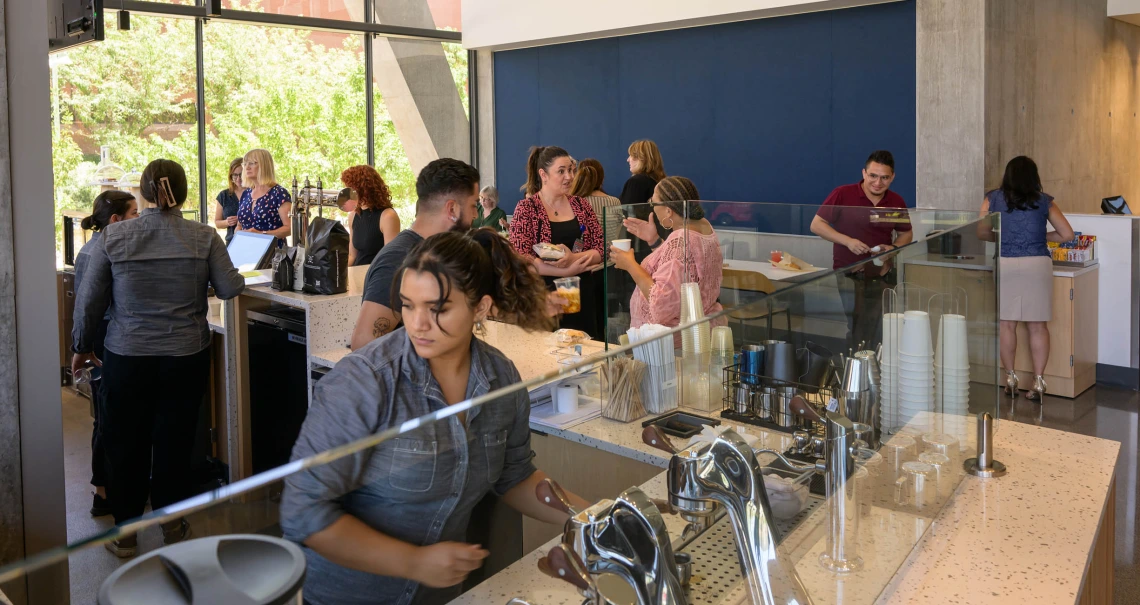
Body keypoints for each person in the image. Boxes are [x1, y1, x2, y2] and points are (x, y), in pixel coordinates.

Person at [280, 229, 590, 605]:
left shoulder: (499, 378)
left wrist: (591, 517)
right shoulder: (366, 380)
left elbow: (515, 477)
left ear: (481, 307)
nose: (417, 324)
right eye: (408, 305)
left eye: (438, 309)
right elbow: (302, 511)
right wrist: (414, 562)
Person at [71, 159, 245, 557]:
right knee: (175, 440)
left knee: (124, 440)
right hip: (185, 356)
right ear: (182, 194)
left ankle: (126, 533)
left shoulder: (114, 238)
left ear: (144, 194)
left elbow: (89, 303)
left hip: (127, 355)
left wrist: (81, 347)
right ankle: (170, 524)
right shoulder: (203, 237)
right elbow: (229, 287)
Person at [350, 158, 481, 350]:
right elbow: (363, 342)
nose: (475, 215)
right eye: (473, 205)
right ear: (452, 209)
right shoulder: (399, 259)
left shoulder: (431, 252)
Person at [979, 156, 1073, 401]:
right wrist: (1041, 237)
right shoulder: (1044, 201)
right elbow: (1067, 234)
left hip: (1005, 263)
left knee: (1006, 324)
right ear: (1034, 176)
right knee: (1038, 325)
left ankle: (1010, 379)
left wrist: (1003, 239)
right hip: (1037, 264)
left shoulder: (992, 198)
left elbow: (981, 231)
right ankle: (1039, 382)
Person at [73, 190, 139, 517]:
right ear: (115, 220)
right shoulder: (98, 251)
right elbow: (88, 307)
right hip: (104, 337)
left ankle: (109, 487)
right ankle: (102, 491)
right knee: (107, 418)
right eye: (133, 214)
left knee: (109, 415)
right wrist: (82, 347)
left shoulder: (100, 246)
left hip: (106, 335)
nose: (139, 221)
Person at [810, 150, 913, 351]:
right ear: (864, 173)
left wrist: (892, 248)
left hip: (882, 275)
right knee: (857, 325)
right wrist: (848, 241)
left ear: (892, 177)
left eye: (884, 177)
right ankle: (857, 372)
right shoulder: (843, 193)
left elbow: (906, 234)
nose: (878, 182)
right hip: (849, 273)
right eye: (873, 175)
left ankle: (877, 371)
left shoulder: (896, 201)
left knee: (882, 327)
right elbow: (816, 225)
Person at [613, 176, 725, 345]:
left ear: (668, 211)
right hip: (699, 331)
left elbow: (661, 303)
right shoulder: (703, 226)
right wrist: (654, 240)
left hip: (672, 343)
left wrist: (630, 265)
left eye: (654, 202)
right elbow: (681, 271)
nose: (652, 207)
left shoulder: (680, 239)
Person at [508, 146, 604, 337]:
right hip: (546, 299)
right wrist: (567, 270)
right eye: (561, 171)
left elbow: (601, 247)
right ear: (543, 174)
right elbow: (521, 258)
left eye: (570, 170)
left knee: (585, 355)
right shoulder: (527, 208)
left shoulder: (581, 205)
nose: (569, 176)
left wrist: (573, 258)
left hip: (581, 295)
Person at [341, 165, 401, 267]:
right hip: (356, 275)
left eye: (350, 189)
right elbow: (352, 256)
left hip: (375, 276)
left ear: (363, 189)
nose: (348, 194)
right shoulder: (353, 215)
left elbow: (391, 259)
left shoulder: (388, 216)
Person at [619, 140, 669, 257]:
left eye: (632, 156)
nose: (628, 160)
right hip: (657, 242)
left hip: (638, 245)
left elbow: (626, 215)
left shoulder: (636, 182)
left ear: (641, 159)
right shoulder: (660, 182)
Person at [237, 148, 292, 247]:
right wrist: (238, 234)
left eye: (252, 163)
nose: (247, 167)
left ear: (264, 166)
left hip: (271, 254)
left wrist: (262, 234)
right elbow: (239, 225)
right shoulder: (246, 193)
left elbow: (290, 228)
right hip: (246, 251)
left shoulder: (279, 193)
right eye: (245, 164)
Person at [571, 158, 622, 250]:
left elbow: (577, 238)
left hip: (582, 258)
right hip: (611, 257)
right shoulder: (615, 202)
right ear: (602, 178)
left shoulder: (575, 202)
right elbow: (618, 235)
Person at [214, 157, 244, 245]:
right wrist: (227, 222)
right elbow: (217, 222)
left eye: (241, 174)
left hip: (252, 240)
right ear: (230, 176)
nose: (238, 178)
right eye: (235, 175)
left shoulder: (255, 193)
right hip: (231, 243)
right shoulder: (223, 195)